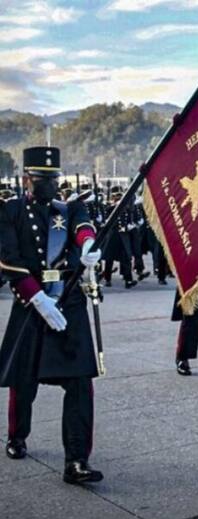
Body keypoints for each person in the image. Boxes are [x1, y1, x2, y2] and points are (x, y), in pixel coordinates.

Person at [0, 146, 103, 484]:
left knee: (79, 384)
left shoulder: (69, 208)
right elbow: (7, 259)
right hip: (32, 306)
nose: (48, 185)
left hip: (68, 305)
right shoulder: (10, 211)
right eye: (41, 179)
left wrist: (88, 245)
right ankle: (17, 434)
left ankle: (76, 460)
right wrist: (36, 297)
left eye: (52, 179)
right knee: (23, 380)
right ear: (25, 179)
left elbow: (83, 226)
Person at [101, 186, 137, 289]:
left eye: (120, 196)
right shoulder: (110, 207)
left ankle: (128, 280)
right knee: (109, 259)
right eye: (116, 196)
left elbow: (129, 215)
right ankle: (107, 279)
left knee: (126, 258)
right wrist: (114, 205)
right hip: (113, 235)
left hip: (123, 235)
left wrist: (129, 225)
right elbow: (107, 217)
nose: (118, 198)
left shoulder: (125, 207)